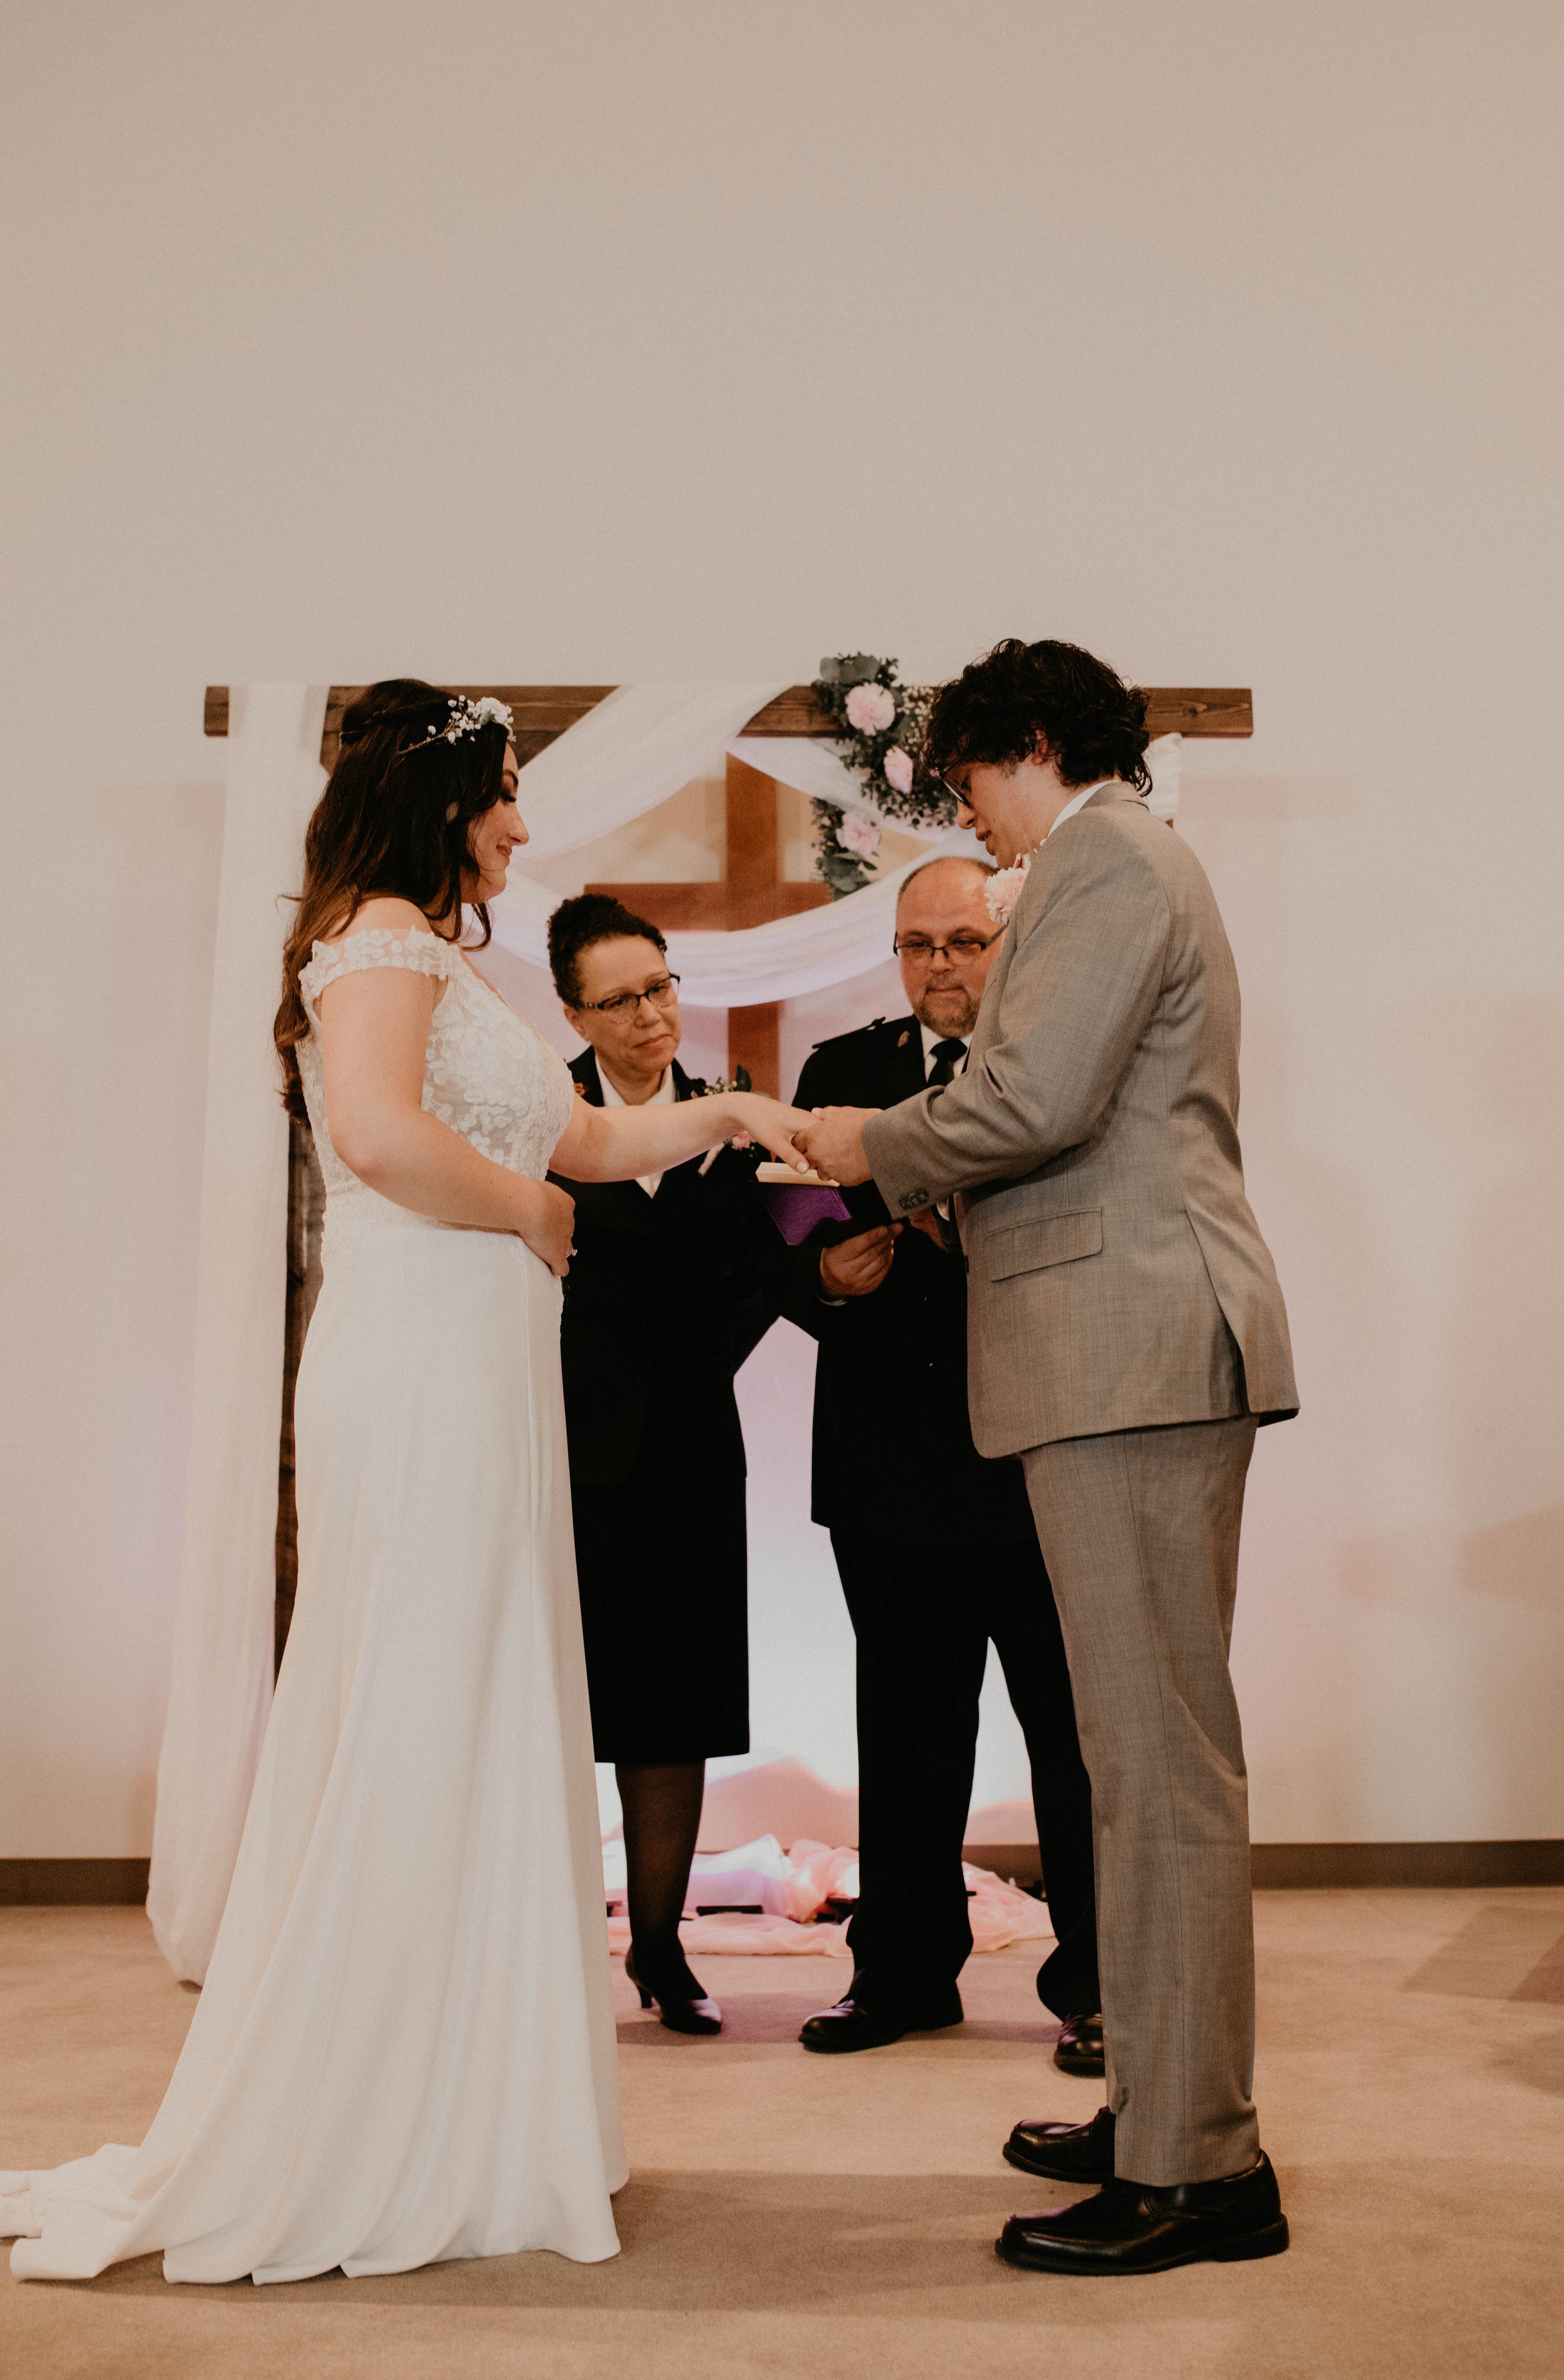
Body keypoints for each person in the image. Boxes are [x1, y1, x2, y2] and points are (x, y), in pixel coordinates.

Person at [1, 681, 811, 2286]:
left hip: (473, 1362)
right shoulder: (376, 940)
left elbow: (580, 1143)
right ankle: (372, 2110)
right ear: (445, 803)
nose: (519, 821)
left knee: (483, 1691)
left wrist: (725, 1112)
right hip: (424, 1359)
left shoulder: (447, 959)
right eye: (506, 793)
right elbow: (373, 1135)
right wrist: (522, 1211)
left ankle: (476, 2101)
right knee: (423, 1691)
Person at [796, 638, 1299, 2279]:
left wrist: (853, 1147)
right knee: (1136, 1761)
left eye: (967, 784)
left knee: (1155, 1772)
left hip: (1132, 1348)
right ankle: (1161, 2100)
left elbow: (1029, 1104)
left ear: (1023, 744)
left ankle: (1198, 2166)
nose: (972, 822)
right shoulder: (1106, 864)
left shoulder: (1101, 859)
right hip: (1120, 1349)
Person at [779, 855, 1101, 2065]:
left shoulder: (1051, 1070)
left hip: (1034, 1458)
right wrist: (822, 1278)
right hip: (889, 1465)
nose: (942, 967)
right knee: (904, 1734)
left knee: (1069, 1734)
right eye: (920, 946)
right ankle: (903, 1973)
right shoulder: (842, 1073)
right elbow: (794, 1231)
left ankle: (1100, 1981)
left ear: (1006, 946)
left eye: (964, 942)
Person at [546, 893, 788, 2038]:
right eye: (622, 999)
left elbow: (759, 1278)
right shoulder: (541, 1116)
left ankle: (659, 1944)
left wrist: (698, 1360)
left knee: (672, 1709)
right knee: (554, 1699)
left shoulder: (720, 1122)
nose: (652, 1014)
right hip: (562, 1451)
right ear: (573, 1014)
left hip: (693, 1447)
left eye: (662, 986)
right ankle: (538, 1945)